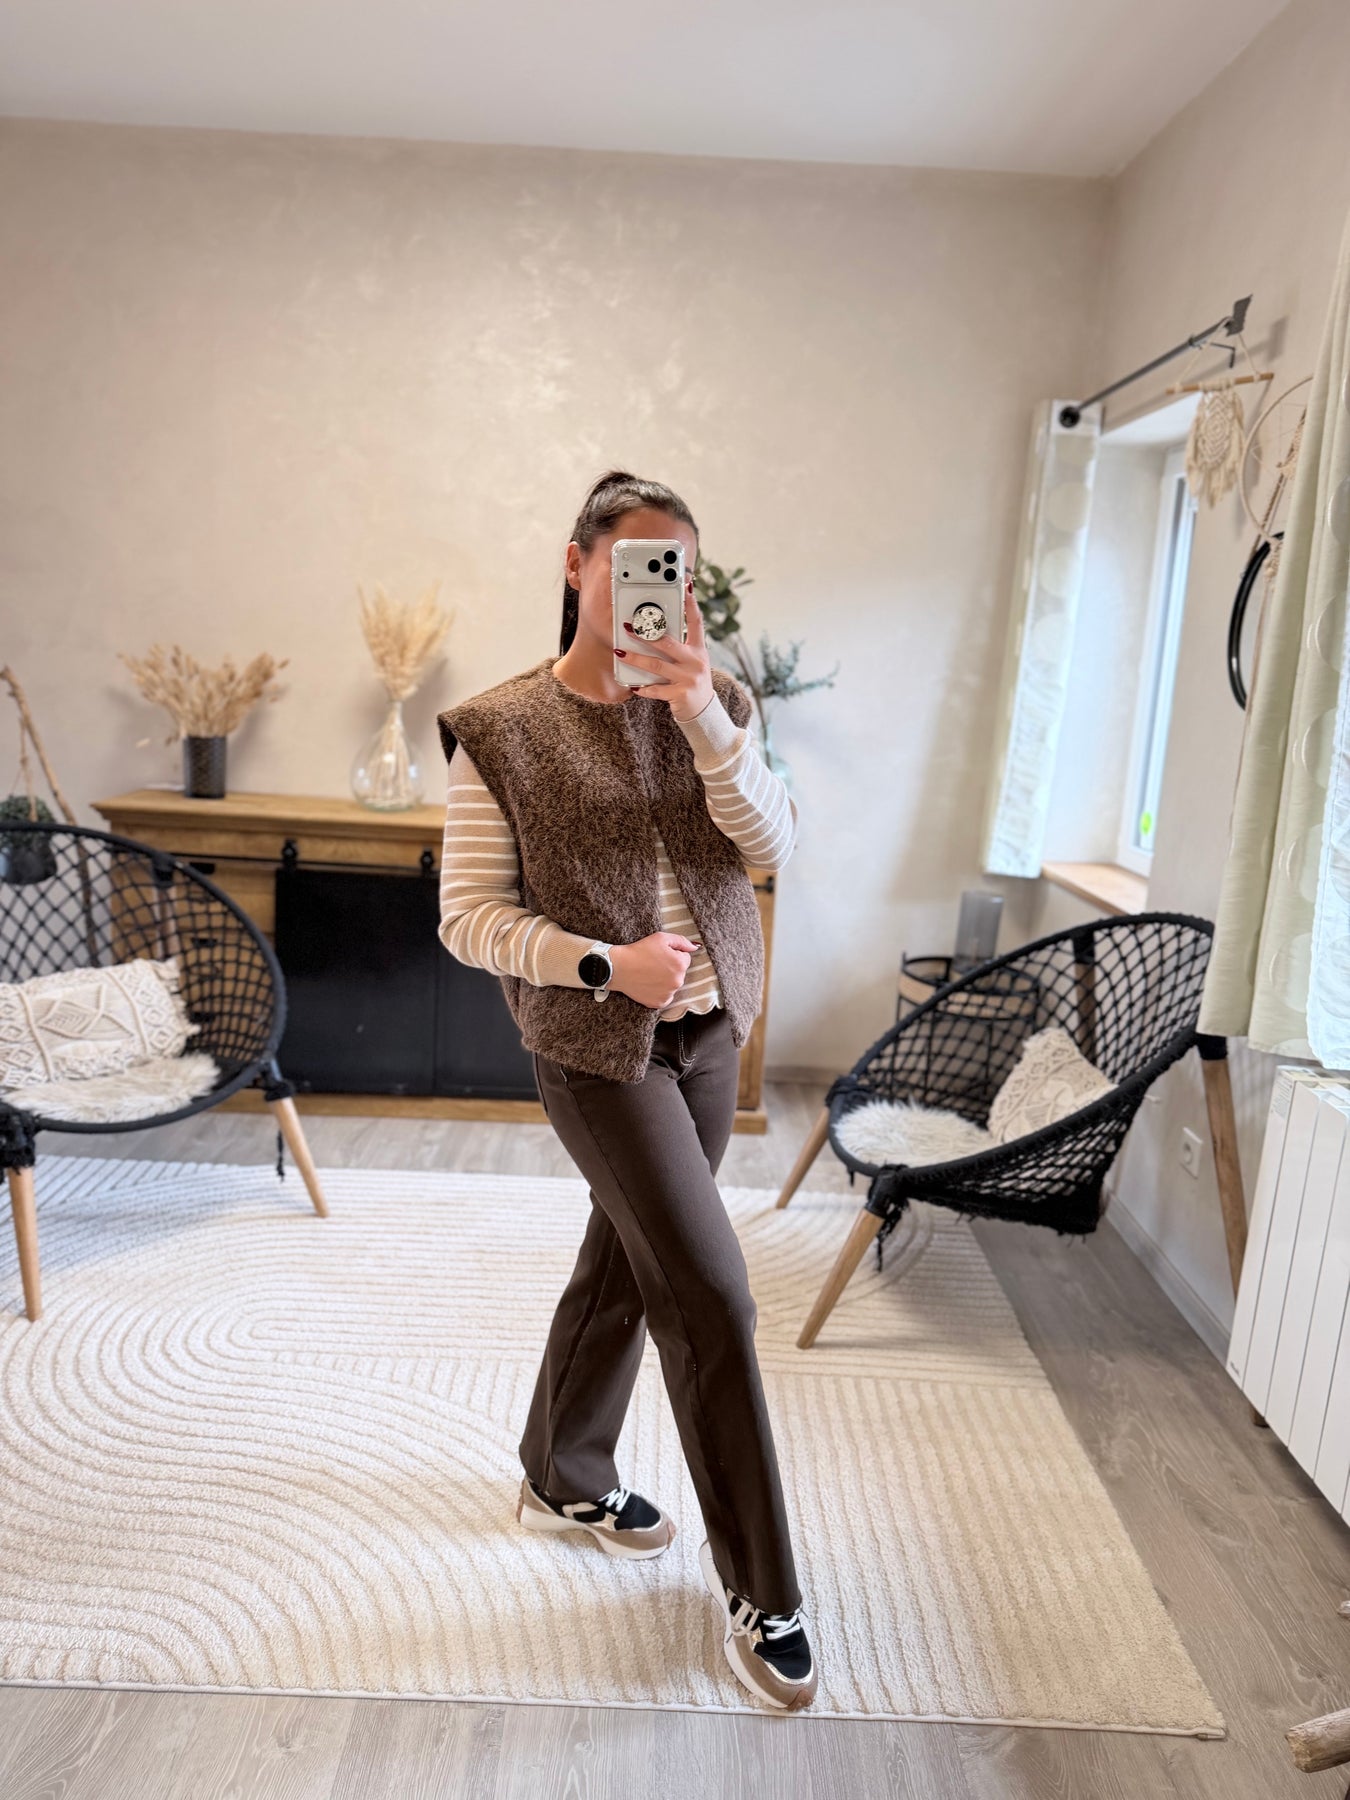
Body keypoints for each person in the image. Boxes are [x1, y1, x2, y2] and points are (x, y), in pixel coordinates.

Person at [435, 470, 816, 1712]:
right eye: (635, 561)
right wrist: (607, 963)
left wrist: (702, 712)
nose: (660, 588)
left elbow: (773, 848)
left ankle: (563, 1469)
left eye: (679, 570)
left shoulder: (721, 702)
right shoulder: (501, 728)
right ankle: (763, 1589)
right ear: (577, 565)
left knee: (627, 1257)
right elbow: (468, 918)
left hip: (710, 1038)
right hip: (596, 1049)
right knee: (709, 1292)